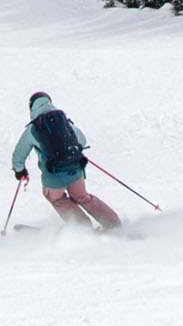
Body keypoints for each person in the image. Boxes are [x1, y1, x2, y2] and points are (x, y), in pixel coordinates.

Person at [11, 91, 121, 231]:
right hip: (75, 170)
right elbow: (82, 139)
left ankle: (82, 228)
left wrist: (19, 171)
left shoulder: (33, 129)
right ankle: (113, 224)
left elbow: (19, 155)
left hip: (53, 176)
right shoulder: (64, 122)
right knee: (82, 197)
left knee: (58, 199)